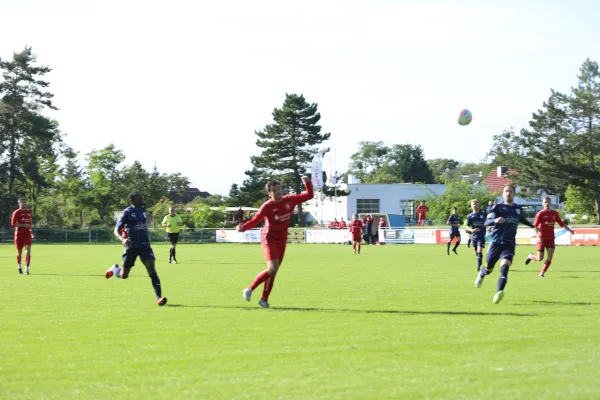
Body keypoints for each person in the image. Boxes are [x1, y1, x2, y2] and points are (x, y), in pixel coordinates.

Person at [238, 176, 313, 308]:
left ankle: (264, 299)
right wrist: (243, 227)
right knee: (272, 269)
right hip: (269, 238)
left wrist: (307, 182)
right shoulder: (267, 206)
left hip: (282, 239)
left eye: (279, 189)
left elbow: (309, 195)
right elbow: (255, 220)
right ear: (269, 193)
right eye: (275, 190)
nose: (278, 192)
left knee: (274, 270)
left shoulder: (290, 200)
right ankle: (249, 289)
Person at [475, 185, 540, 304]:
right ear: (503, 194)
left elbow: (521, 219)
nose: (508, 193)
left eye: (510, 191)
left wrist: (533, 226)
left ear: (514, 194)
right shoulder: (497, 207)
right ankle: (482, 273)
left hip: (509, 243)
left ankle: (499, 292)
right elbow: (486, 222)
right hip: (495, 243)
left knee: (504, 268)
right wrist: (495, 221)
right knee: (489, 269)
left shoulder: (518, 208)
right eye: (506, 191)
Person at [105, 192, 167, 306]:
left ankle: (159, 297)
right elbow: (116, 230)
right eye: (139, 198)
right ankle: (114, 269)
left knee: (151, 269)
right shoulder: (127, 212)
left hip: (145, 245)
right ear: (132, 200)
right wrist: (123, 240)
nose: (142, 199)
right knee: (124, 275)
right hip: (131, 246)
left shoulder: (143, 208)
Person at [525, 197, 575, 277]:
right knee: (539, 258)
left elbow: (562, 224)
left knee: (550, 257)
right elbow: (534, 227)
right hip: (542, 238)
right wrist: (538, 237)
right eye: (545, 202)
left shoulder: (554, 213)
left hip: (551, 238)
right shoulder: (540, 214)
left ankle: (542, 273)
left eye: (548, 202)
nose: (547, 204)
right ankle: (531, 256)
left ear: (550, 203)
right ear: (542, 204)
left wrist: (570, 230)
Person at [11, 198, 33, 275]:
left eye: (24, 202)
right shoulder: (16, 212)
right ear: (19, 203)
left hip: (27, 234)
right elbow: (13, 224)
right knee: (19, 252)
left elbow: (30, 222)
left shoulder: (29, 211)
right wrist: (23, 225)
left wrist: (31, 231)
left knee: (28, 251)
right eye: (22, 202)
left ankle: (26, 268)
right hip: (19, 234)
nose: (23, 203)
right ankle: (19, 266)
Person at [465, 199, 487, 271]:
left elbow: (488, 221)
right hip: (474, 236)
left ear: (478, 205)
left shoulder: (483, 214)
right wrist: (472, 230)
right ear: (471, 206)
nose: (475, 205)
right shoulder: (470, 216)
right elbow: (466, 226)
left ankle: (478, 267)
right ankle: (480, 259)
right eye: (473, 204)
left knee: (479, 250)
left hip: (481, 235)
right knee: (476, 251)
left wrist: (489, 225)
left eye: (476, 204)